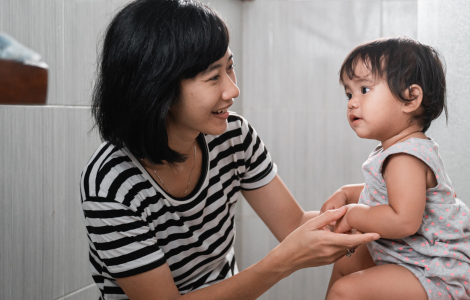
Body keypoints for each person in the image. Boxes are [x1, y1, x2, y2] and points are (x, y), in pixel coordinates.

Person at [80, 1, 378, 299]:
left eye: (230, 67)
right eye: (213, 77)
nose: (233, 89)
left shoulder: (234, 136)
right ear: (158, 89)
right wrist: (283, 261)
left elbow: (293, 224)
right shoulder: (110, 182)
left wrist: (371, 210)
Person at [320, 37, 470, 300]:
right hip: (414, 260)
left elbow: (403, 220)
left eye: (365, 89)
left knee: (345, 291)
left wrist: (352, 214)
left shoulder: (405, 156)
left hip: (436, 272)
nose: (352, 102)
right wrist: (349, 193)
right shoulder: (397, 150)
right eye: (349, 93)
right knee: (346, 264)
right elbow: (393, 193)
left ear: (410, 98)